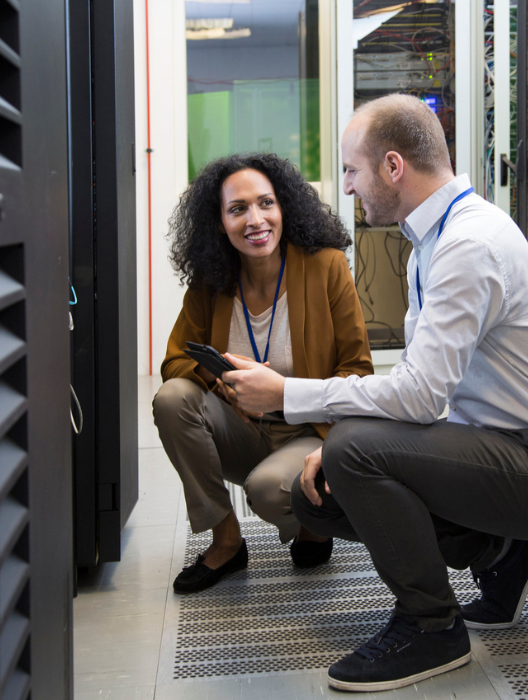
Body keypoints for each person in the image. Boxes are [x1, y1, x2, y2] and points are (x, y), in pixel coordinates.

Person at [223, 94, 528, 692]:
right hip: (507, 447)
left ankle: (431, 627)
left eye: (352, 170)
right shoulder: (435, 238)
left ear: (393, 166)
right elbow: (438, 388)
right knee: (322, 496)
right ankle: (502, 552)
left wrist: (288, 395)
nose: (347, 187)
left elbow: (421, 396)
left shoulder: (465, 245)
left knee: (352, 452)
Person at [153, 153, 374, 595]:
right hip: (244, 428)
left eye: (265, 203)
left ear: (283, 207)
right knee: (172, 398)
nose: (255, 220)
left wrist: (283, 392)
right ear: (219, 222)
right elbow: (174, 362)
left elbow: (357, 370)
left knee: (270, 491)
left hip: (310, 429)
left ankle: (315, 521)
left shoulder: (327, 266)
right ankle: (227, 539)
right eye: (237, 209)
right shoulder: (212, 281)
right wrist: (222, 384)